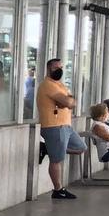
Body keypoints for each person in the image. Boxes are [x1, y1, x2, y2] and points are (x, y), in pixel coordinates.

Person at [36, 59, 80, 200]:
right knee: (57, 160)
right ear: (48, 69)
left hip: (66, 125)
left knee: (80, 147)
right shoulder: (48, 85)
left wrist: (67, 101)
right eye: (56, 68)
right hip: (53, 126)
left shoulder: (60, 85)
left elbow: (71, 101)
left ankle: (48, 149)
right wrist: (67, 101)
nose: (59, 70)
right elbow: (68, 102)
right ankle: (58, 190)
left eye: (61, 67)